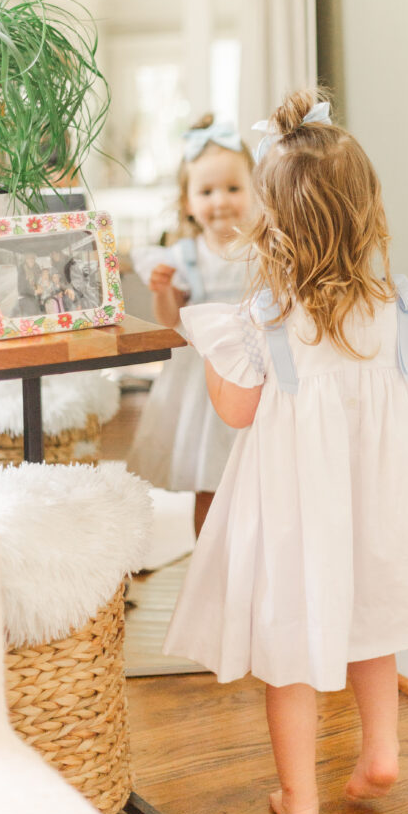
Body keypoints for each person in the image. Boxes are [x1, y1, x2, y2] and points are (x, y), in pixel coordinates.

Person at [162, 91, 408, 814]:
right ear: (367, 210)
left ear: (271, 221)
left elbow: (236, 411)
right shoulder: (401, 305)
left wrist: (211, 350)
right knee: (374, 624)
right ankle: (382, 753)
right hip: (383, 505)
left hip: (297, 513)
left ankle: (297, 798)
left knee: (289, 648)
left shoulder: (262, 319)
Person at [130, 115, 255, 537]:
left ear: (255, 190)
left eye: (233, 188)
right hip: (204, 380)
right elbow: (171, 321)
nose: (220, 200)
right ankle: (208, 561)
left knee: (258, 475)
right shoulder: (184, 256)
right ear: (187, 201)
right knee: (211, 479)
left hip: (255, 372)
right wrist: (163, 289)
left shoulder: (263, 248)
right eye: (206, 191)